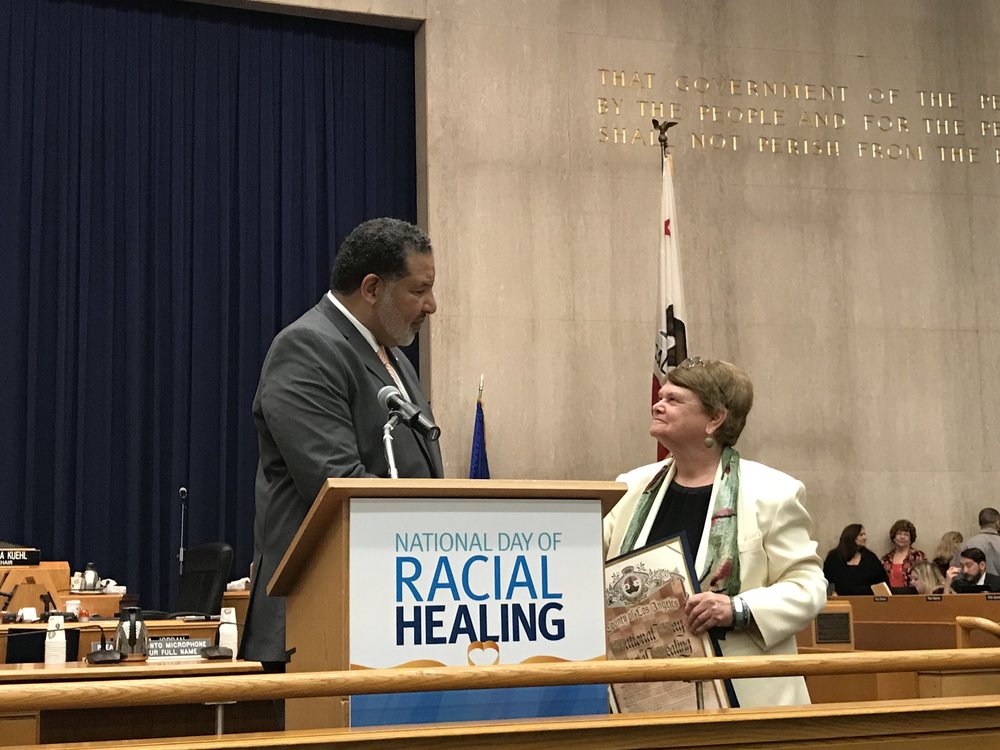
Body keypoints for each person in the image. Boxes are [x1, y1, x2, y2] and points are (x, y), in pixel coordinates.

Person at [241, 218, 444, 668]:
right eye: (419, 289)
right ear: (372, 288)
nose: (431, 305)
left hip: (391, 615)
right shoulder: (307, 347)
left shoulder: (392, 356)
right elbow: (338, 488)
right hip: (317, 622)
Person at [604, 357, 826, 708]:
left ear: (715, 418)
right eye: (660, 396)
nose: (657, 405)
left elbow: (808, 587)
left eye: (674, 400)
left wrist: (737, 607)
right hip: (645, 690)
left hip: (745, 695)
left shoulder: (773, 492)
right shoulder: (629, 487)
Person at [823, 524, 888, 595]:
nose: (865, 537)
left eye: (864, 534)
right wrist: (832, 593)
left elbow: (882, 582)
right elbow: (825, 580)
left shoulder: (870, 557)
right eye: (861, 535)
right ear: (851, 537)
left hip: (866, 602)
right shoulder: (834, 557)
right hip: (841, 601)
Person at [880, 519, 925, 590]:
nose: (902, 537)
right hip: (890, 598)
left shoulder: (918, 556)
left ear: (911, 539)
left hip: (911, 597)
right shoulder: (886, 559)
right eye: (899, 534)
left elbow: (926, 579)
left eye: (906, 535)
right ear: (894, 538)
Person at [953, 509, 1000, 576]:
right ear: (998, 523)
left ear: (980, 523)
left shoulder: (966, 544)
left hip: (974, 586)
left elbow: (957, 573)